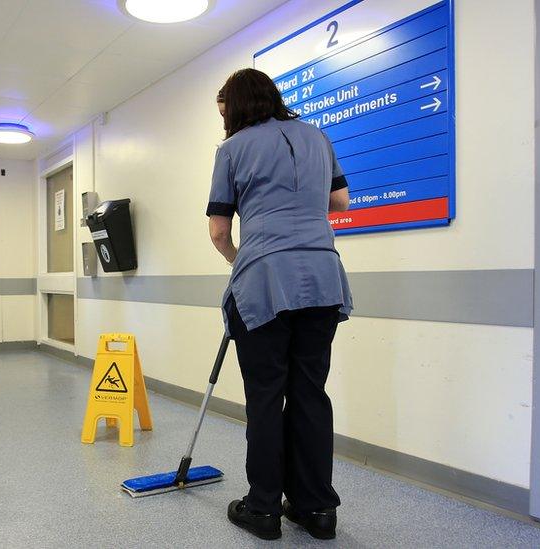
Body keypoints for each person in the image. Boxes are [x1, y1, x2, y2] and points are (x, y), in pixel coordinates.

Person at [207, 68, 354, 541]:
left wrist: (243, 264)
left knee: (267, 395)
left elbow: (218, 231)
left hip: (265, 281)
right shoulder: (318, 137)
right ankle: (317, 510)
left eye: (225, 110)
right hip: (323, 277)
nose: (224, 120)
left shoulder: (231, 150)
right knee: (311, 391)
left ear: (239, 106)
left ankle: (264, 508)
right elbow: (341, 201)